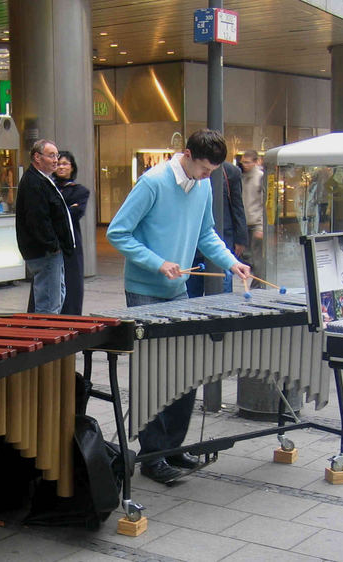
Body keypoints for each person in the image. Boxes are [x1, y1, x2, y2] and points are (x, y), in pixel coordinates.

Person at [107, 129, 250, 485]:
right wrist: (157, 262)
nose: (207, 176)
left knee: (186, 371)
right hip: (144, 290)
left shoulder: (201, 187)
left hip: (179, 290)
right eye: (204, 168)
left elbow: (206, 235)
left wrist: (231, 262)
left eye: (213, 171)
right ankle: (152, 457)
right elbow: (117, 232)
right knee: (154, 373)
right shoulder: (152, 183)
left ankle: (172, 447)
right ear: (186, 154)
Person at [15, 139, 75, 314]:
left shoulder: (41, 179)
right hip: (45, 253)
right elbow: (38, 219)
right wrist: (53, 246)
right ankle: (46, 335)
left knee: (55, 296)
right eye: (51, 155)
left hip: (48, 252)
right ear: (37, 157)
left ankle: (47, 332)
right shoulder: (35, 182)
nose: (56, 160)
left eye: (57, 155)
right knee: (49, 303)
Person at [186, 161, 248, 296]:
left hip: (222, 238)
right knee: (191, 292)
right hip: (193, 243)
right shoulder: (188, 173)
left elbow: (237, 205)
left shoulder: (231, 172)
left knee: (222, 290)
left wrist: (240, 238)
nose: (207, 173)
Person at [54, 151, 90, 315]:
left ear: (72, 167)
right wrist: (67, 209)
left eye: (65, 164)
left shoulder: (80, 191)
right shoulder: (48, 187)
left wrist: (56, 212)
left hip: (71, 241)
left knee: (72, 280)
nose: (61, 167)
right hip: (50, 241)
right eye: (58, 164)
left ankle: (71, 318)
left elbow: (76, 213)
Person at [240, 150, 265, 288]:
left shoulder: (260, 177)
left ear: (255, 162)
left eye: (248, 162)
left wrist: (261, 226)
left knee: (257, 259)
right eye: (243, 162)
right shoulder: (242, 177)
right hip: (245, 222)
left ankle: (257, 287)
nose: (245, 165)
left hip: (255, 223)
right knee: (247, 257)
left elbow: (264, 203)